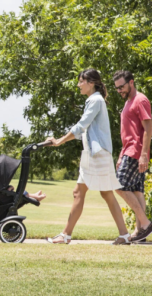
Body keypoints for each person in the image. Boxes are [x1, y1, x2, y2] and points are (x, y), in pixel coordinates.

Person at [46, 68, 130, 245]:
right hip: (95, 154)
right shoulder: (95, 100)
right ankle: (123, 235)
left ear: (91, 83)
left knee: (91, 193)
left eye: (81, 81)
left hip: (97, 155)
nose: (78, 85)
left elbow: (81, 125)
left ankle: (66, 235)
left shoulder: (95, 100)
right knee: (99, 193)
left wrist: (60, 141)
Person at [113, 70, 152, 242]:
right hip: (129, 151)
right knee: (137, 191)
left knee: (119, 185)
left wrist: (144, 154)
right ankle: (140, 232)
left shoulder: (140, 100)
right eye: (117, 88)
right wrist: (121, 154)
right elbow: (128, 132)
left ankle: (145, 224)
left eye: (121, 87)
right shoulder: (129, 102)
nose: (119, 90)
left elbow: (148, 128)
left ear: (131, 83)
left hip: (136, 151)